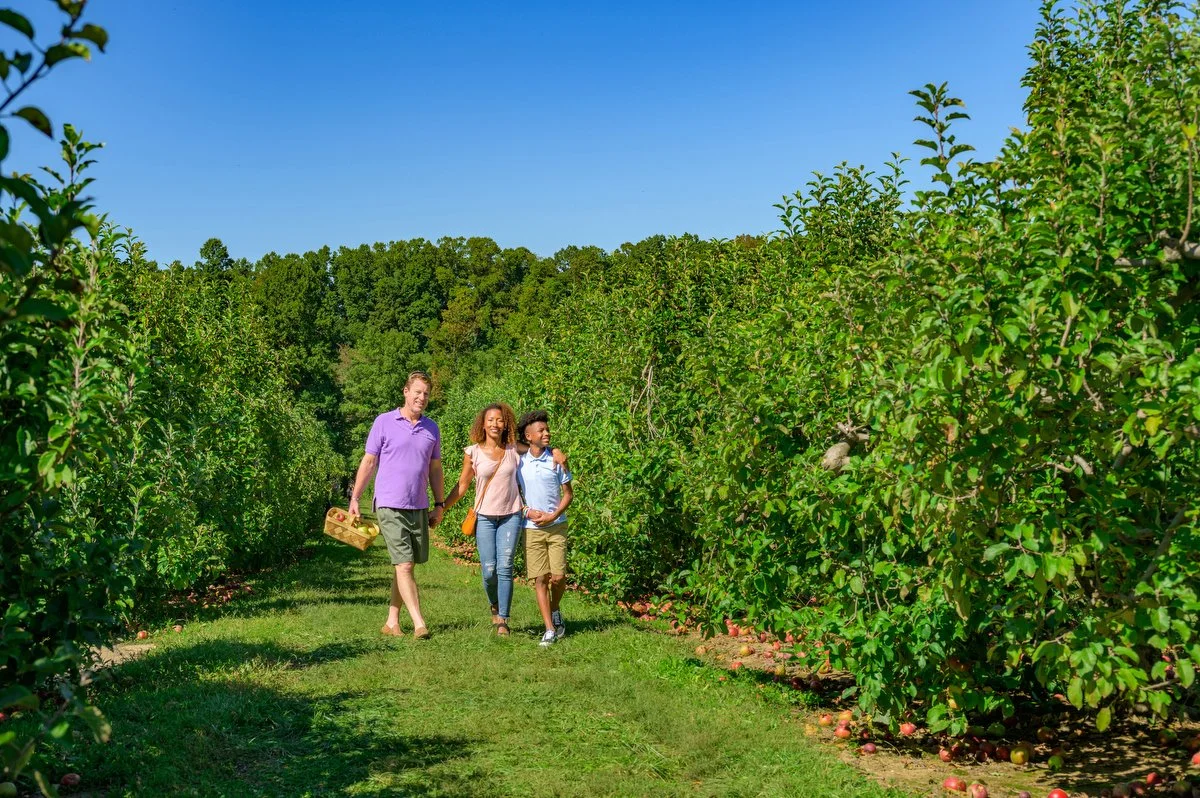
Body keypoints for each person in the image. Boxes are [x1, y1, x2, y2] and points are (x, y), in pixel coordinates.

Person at [443, 403, 567, 636]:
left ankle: (503, 620)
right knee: (489, 570)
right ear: (483, 423)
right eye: (490, 420)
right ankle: (494, 605)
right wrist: (441, 508)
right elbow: (462, 486)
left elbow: (537, 447)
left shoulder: (513, 449)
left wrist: (557, 452)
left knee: (505, 566)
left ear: (505, 424)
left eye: (499, 420)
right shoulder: (473, 452)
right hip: (485, 518)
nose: (495, 424)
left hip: (511, 516)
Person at [349, 371, 445, 640]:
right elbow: (369, 462)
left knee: (407, 565)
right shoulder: (384, 422)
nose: (421, 398)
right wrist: (356, 498)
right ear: (405, 391)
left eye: (426, 394)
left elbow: (435, 469)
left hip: (418, 505)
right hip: (389, 503)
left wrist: (439, 504)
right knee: (403, 565)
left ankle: (392, 622)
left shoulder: (431, 428)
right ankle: (419, 623)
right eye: (417, 392)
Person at [516, 410, 574, 647]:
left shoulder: (556, 460)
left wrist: (554, 514)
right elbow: (513, 495)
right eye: (541, 430)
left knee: (558, 578)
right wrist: (525, 511)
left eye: (547, 430)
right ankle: (549, 628)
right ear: (528, 436)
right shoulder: (519, 462)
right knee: (540, 578)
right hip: (531, 529)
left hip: (557, 526)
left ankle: (555, 608)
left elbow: (569, 494)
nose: (547, 433)